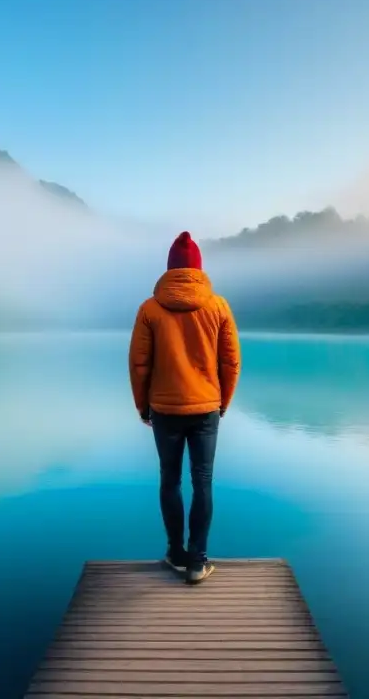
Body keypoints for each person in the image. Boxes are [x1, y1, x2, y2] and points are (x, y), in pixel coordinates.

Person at [128, 231, 241, 585]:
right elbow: (231, 361)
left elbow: (139, 364)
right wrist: (222, 402)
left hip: (164, 408)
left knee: (170, 480)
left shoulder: (149, 308)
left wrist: (142, 405)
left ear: (170, 270)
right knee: (203, 481)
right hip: (206, 407)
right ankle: (197, 561)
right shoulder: (218, 306)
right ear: (198, 269)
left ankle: (175, 551)